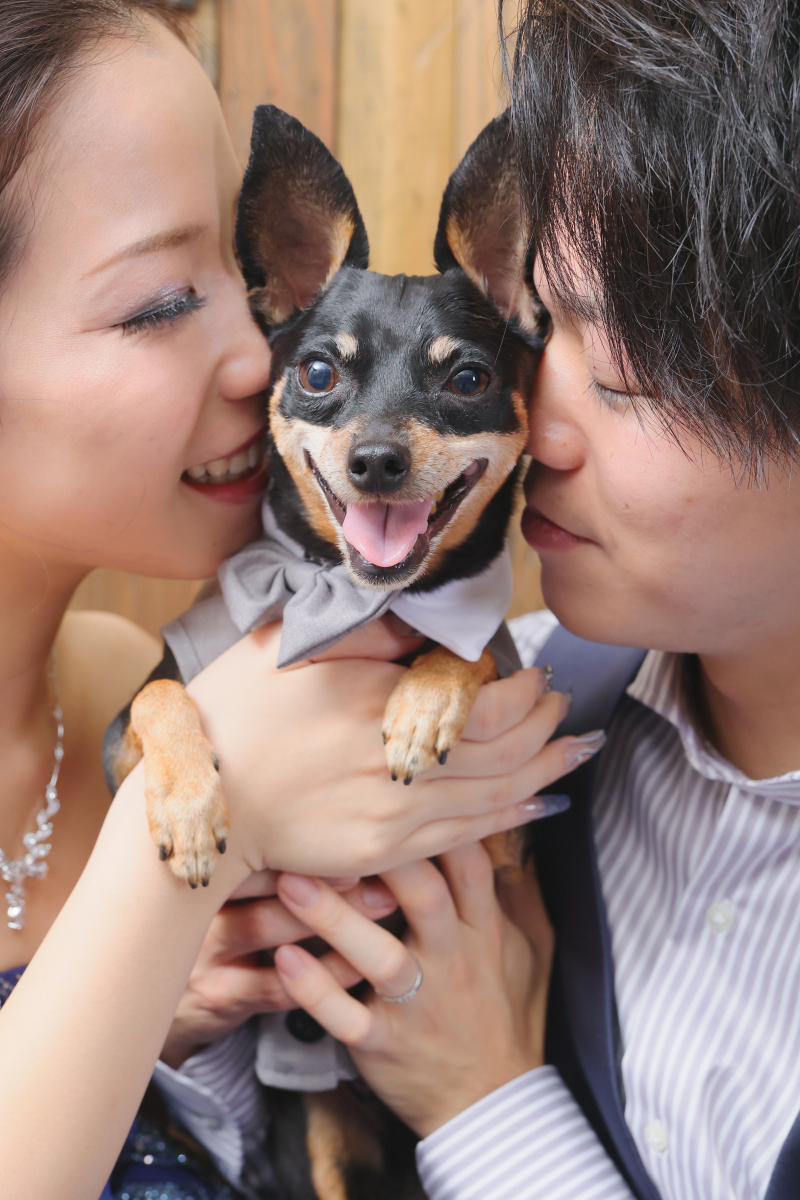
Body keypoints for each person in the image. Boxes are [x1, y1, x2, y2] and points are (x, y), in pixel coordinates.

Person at [0, 4, 591, 1198]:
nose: (264, 350)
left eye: (242, 270)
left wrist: (179, 1021)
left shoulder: (131, 675)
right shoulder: (218, 722)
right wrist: (189, 865)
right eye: (165, 297)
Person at [265, 2, 800, 1199]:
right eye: (539, 337)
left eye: (622, 376)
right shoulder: (505, 704)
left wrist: (482, 1101)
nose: (528, 428)